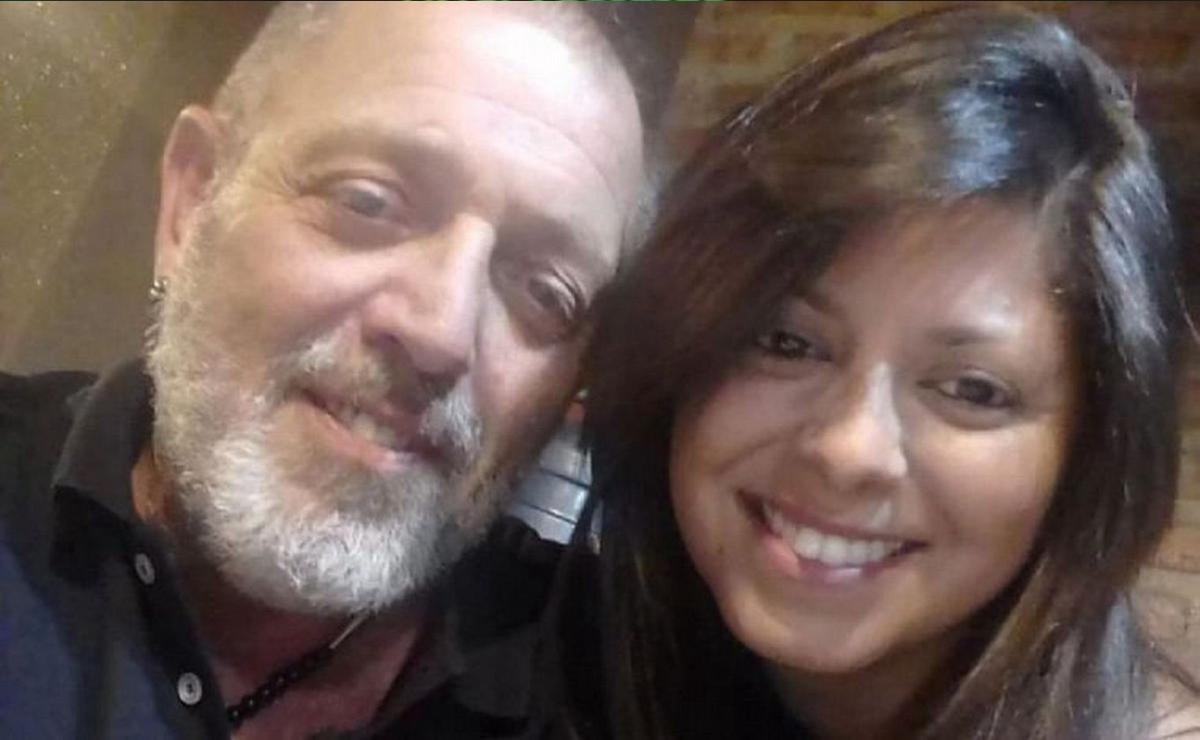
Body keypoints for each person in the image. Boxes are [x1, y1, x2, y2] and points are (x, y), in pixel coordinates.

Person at [0, 2, 645, 738]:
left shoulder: (608, 690)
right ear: (193, 200)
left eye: (546, 292)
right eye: (368, 201)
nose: (440, 332)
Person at [571, 5, 1198, 739]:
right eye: (786, 342)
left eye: (972, 390)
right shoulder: (570, 665)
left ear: (1087, 460)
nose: (848, 450)